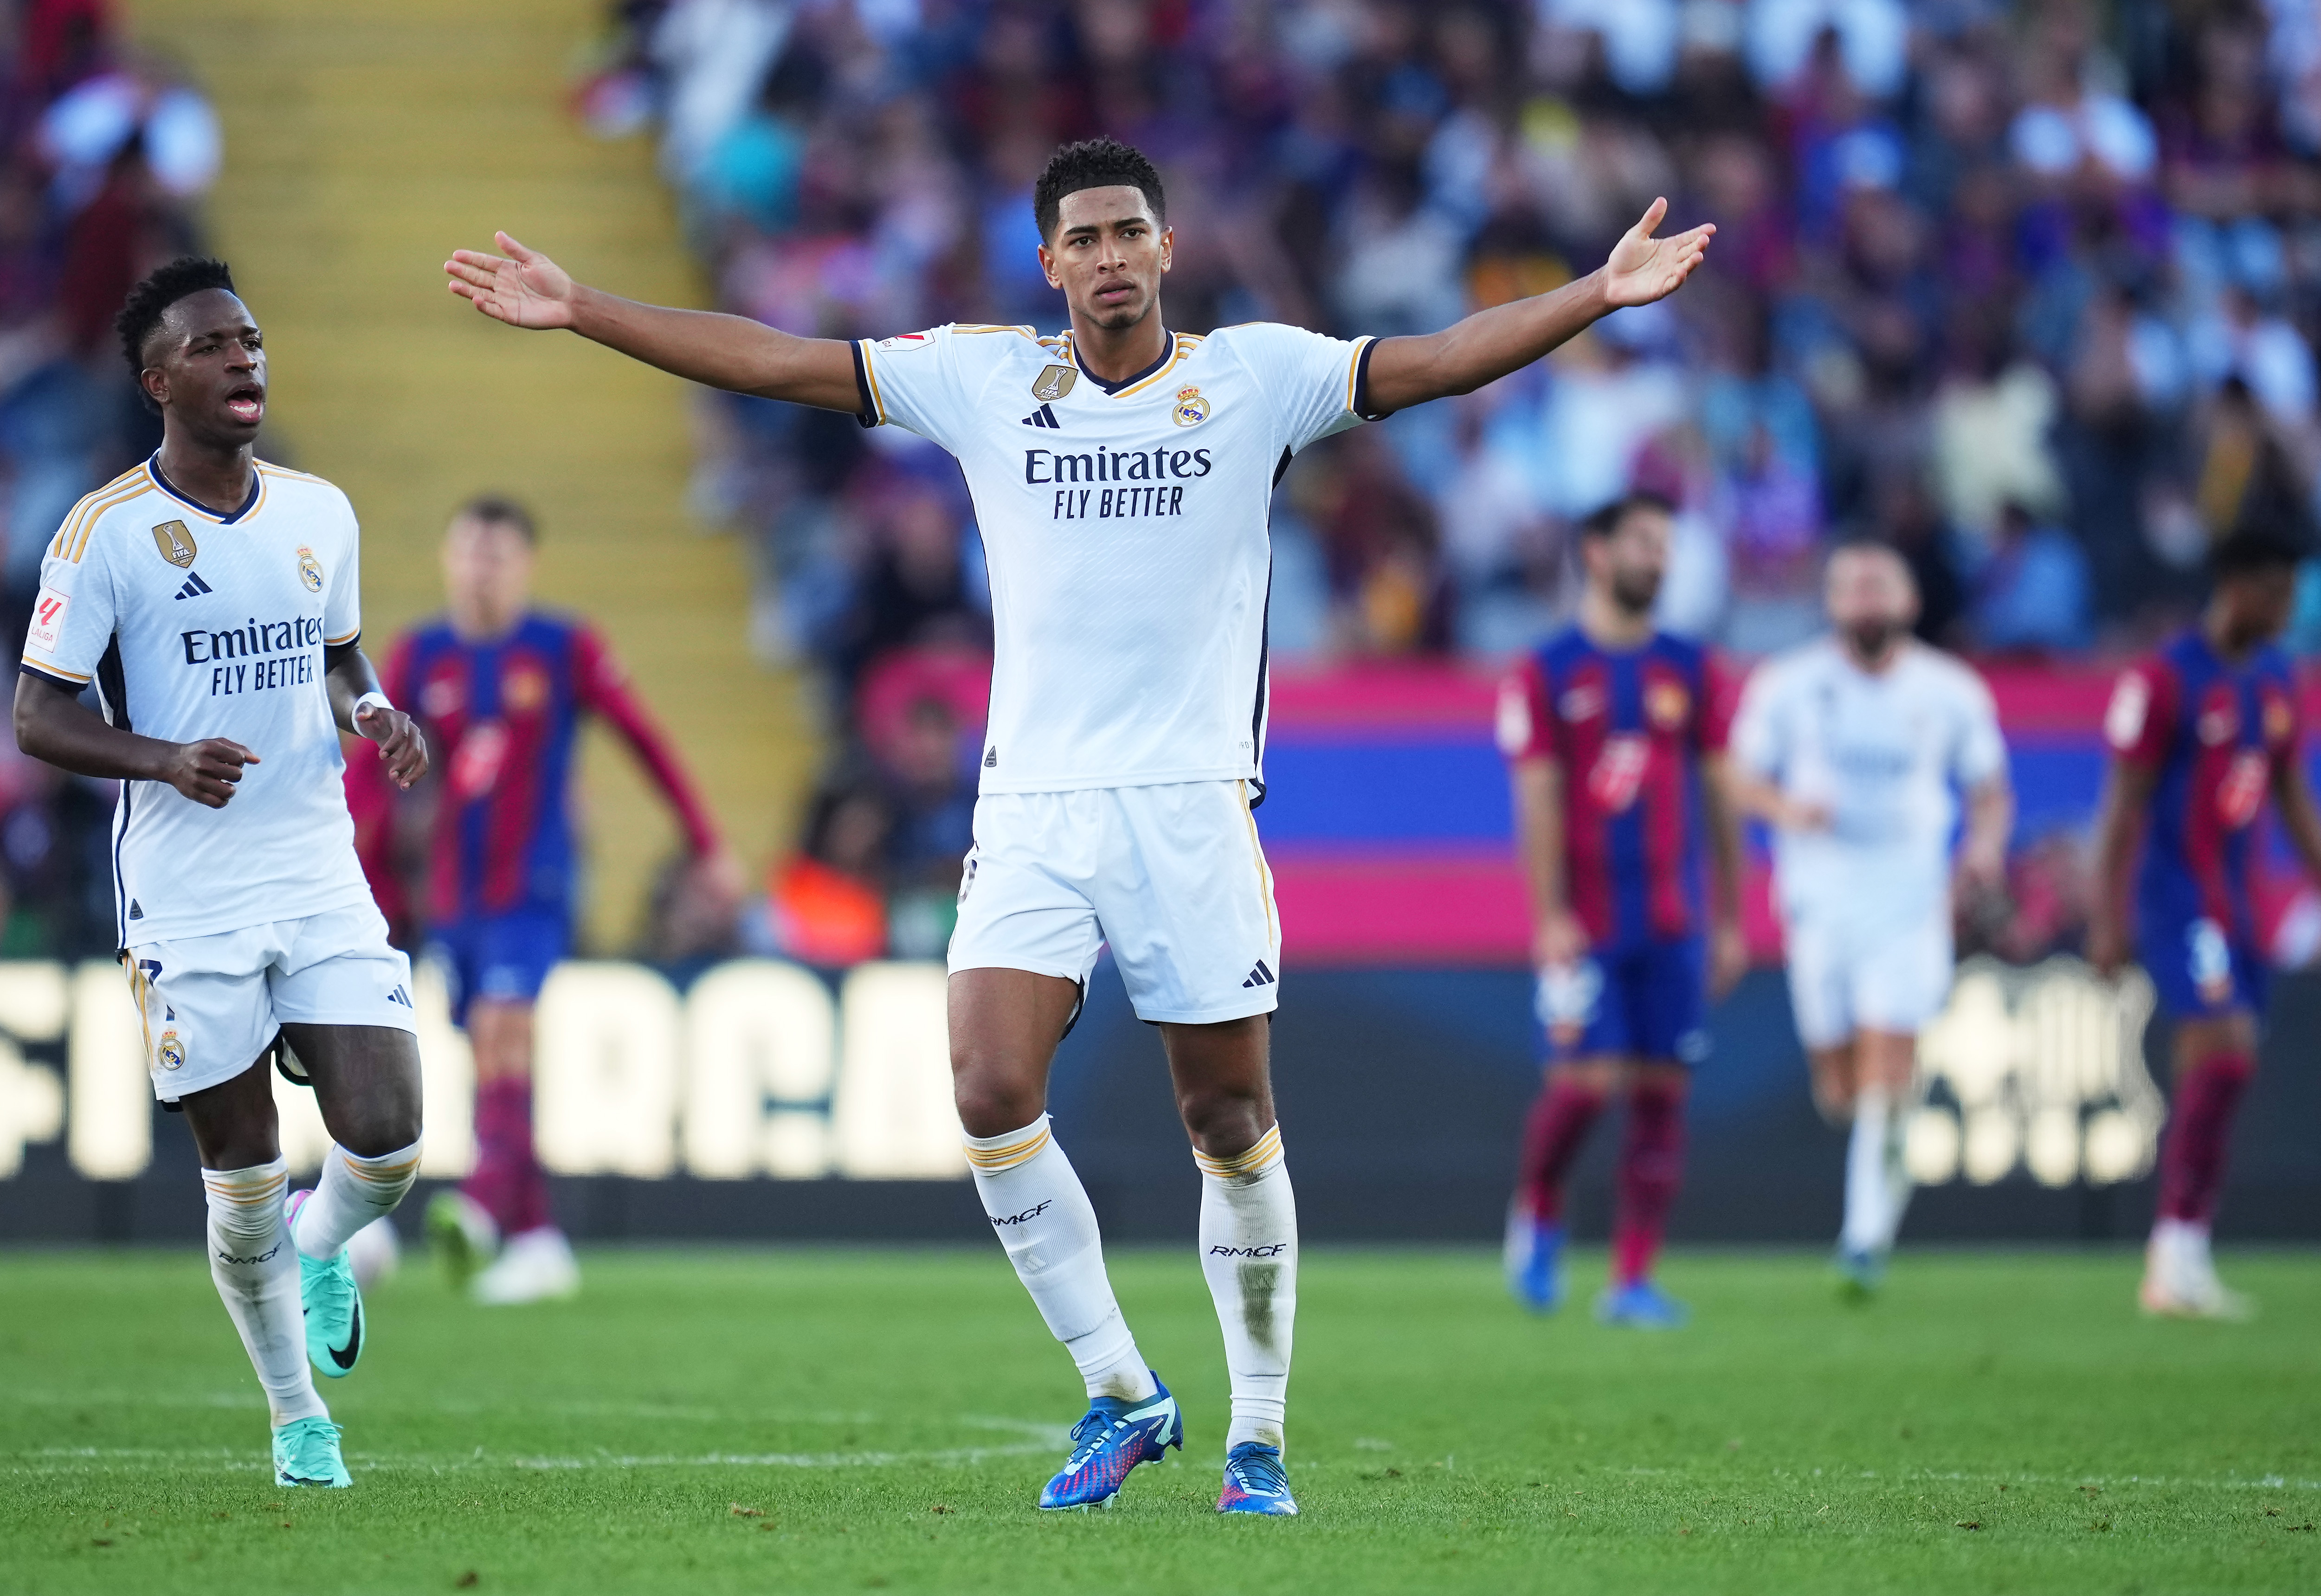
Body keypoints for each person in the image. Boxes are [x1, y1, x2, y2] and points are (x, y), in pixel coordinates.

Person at [445, 135, 1712, 1517]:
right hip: (1033, 804)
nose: (1110, 258)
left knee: (1227, 1121)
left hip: (1190, 808)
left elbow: (1439, 357)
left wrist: (1593, 294)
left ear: (1167, 248)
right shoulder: (987, 380)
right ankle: (1122, 1388)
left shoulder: (1258, 377)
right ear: (1049, 263)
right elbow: (777, 359)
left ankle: (1260, 1434)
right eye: (1084, 239)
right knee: (988, 1092)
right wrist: (588, 312)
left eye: (1130, 233)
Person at [13, 257, 431, 1487]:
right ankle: (299, 1418)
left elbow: (343, 657)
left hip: (314, 860)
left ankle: (326, 1243)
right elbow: (38, 716)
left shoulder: (320, 514)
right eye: (210, 346)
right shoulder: (105, 534)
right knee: (240, 1173)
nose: (243, 358)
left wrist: (376, 713)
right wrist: (162, 756)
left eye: (249, 339)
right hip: (187, 893)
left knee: (392, 1138)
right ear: (157, 381)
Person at [383, 496, 734, 1304]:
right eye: (470, 553)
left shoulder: (563, 648)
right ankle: (539, 1239)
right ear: (448, 561)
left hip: (534, 886)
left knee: (509, 1030)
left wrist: (706, 843)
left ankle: (478, 1206)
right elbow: (373, 777)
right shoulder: (418, 656)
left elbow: (645, 740)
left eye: (499, 555)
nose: (483, 569)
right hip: (451, 897)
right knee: (491, 1052)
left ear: (526, 566)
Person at [2088, 527, 2321, 1318]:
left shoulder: (2277, 680)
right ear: (2237, 586)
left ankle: (2184, 1248)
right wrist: (2105, 916)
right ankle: (2173, 1255)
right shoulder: (2165, 678)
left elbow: (2295, 798)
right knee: (2224, 1047)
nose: (2289, 609)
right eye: (2280, 592)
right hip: (2175, 896)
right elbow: (2121, 805)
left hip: (2237, 899)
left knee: (2227, 1068)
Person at [1727, 542, 2013, 1296]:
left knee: (1890, 1064)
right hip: (1818, 898)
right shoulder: (1788, 685)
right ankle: (1875, 1171)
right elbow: (1737, 776)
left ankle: (1863, 1240)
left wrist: (1983, 850)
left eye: (1879, 584)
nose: (1865, 598)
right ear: (1830, 604)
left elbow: (1989, 790)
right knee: (1841, 1087)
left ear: (1909, 602)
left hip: (1910, 896)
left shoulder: (1951, 691)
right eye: (1850, 586)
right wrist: (1787, 809)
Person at [1495, 492, 1744, 1329]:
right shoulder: (1547, 671)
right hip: (1589, 922)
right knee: (1585, 1086)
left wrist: (1735, 918)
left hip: (1672, 920)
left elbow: (1719, 797)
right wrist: (1549, 915)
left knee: (1663, 1094)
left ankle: (1631, 1280)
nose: (1659, 558)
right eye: (1642, 542)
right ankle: (1539, 1208)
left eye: (1667, 544)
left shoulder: (1695, 669)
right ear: (1597, 554)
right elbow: (1536, 796)